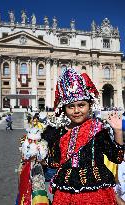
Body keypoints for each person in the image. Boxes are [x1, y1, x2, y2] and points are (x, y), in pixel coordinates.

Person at [42, 67, 124, 205]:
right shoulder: (56, 133)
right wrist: (38, 153)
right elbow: (53, 162)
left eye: (81, 105)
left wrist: (118, 131)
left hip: (97, 192)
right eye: (71, 106)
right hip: (65, 192)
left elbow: (117, 157)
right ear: (64, 108)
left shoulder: (98, 130)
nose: (76, 111)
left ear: (89, 105)